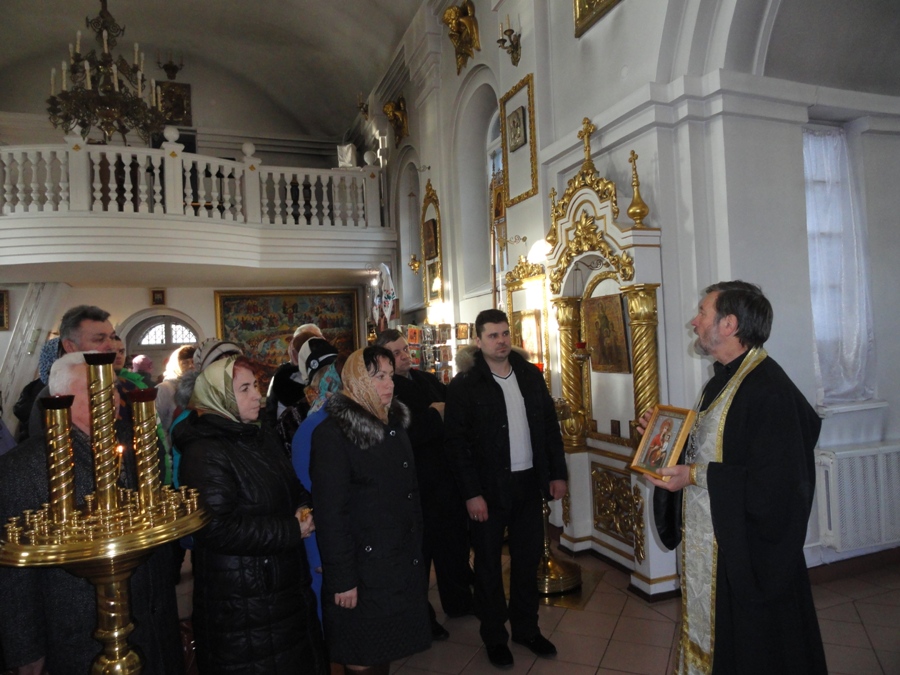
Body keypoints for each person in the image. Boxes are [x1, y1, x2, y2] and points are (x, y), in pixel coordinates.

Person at [646, 281, 826, 674]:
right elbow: (718, 445)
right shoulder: (723, 380)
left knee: (753, 646)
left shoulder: (769, 389)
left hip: (746, 550)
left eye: (702, 313)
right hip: (716, 539)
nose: (694, 322)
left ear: (729, 325)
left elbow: (777, 482)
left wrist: (694, 474)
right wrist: (666, 436)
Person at [0, 352, 184, 675]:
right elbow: (14, 573)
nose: (109, 398)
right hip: (77, 627)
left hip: (150, 615)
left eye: (111, 389)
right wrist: (26, 650)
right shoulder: (24, 467)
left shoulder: (136, 442)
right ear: (61, 398)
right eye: (94, 389)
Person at [175, 354, 327, 674]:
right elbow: (216, 527)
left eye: (256, 385)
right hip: (241, 599)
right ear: (218, 396)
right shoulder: (204, 451)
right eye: (244, 389)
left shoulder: (258, 433)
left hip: (281, 586)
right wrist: (291, 530)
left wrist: (303, 507)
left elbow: (292, 485)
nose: (257, 395)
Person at [443, 309, 568, 669]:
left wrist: (557, 473)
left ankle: (527, 629)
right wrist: (471, 493)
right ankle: (495, 636)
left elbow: (549, 428)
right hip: (487, 489)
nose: (501, 341)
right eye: (493, 335)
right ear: (478, 340)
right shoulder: (465, 385)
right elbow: (456, 445)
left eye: (504, 334)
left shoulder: (529, 375)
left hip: (528, 483)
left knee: (527, 562)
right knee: (488, 566)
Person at [310, 346, 431, 674]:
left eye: (390, 375)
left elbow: (410, 495)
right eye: (377, 376)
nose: (388, 384)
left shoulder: (393, 424)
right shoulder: (333, 435)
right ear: (357, 380)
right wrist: (342, 579)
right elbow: (331, 514)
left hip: (395, 562)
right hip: (362, 569)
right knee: (362, 656)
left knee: (384, 650)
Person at [376, 329, 474, 638]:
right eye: (396, 352)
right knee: (420, 555)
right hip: (415, 485)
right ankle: (422, 618)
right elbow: (404, 433)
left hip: (446, 479)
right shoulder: (386, 391)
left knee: (453, 547)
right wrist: (434, 415)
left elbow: (453, 413)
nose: (405, 355)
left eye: (405, 349)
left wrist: (438, 414)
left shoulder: (426, 379)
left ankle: (459, 601)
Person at [290, 337, 342, 619]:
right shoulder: (311, 427)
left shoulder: (350, 418)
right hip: (323, 542)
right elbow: (306, 498)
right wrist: (316, 553)